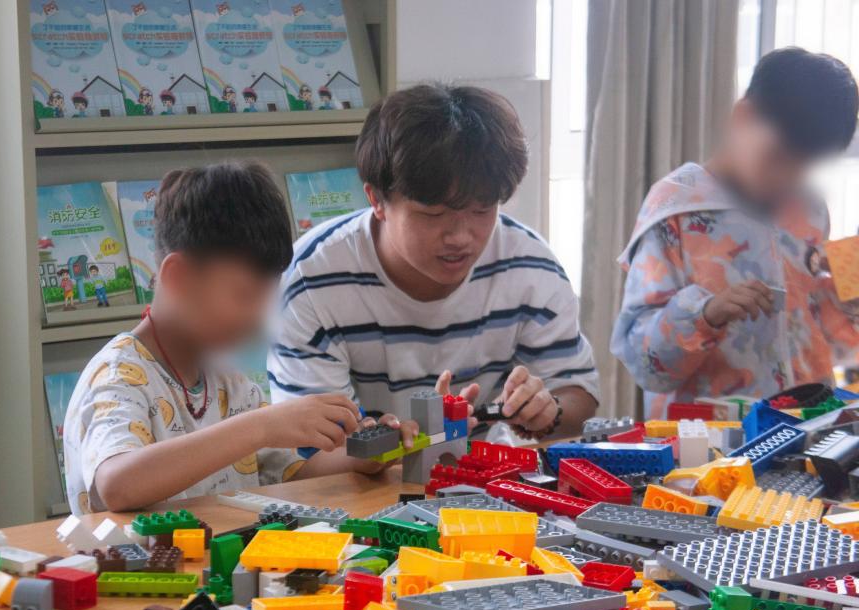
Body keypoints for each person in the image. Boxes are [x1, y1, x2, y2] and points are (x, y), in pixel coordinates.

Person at [63, 162, 403, 514]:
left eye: (267, 297)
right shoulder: (117, 377)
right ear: (178, 278)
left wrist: (363, 457)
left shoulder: (226, 380)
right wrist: (262, 426)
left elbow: (292, 472)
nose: (259, 315)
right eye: (244, 295)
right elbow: (117, 485)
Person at [268, 83, 600, 441]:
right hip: (358, 475)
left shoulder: (530, 267)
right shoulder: (313, 279)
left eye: (481, 210)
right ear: (376, 200)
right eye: (433, 214)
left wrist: (548, 410)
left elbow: (578, 396)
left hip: (482, 472)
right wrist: (413, 442)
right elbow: (312, 446)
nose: (460, 236)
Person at [612, 47, 859, 418]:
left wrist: (848, 290)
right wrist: (705, 315)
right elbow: (645, 365)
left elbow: (823, 335)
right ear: (743, 117)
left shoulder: (809, 208)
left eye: (805, 165)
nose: (788, 177)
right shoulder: (676, 209)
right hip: (711, 442)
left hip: (807, 425)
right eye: (777, 157)